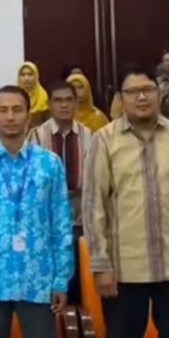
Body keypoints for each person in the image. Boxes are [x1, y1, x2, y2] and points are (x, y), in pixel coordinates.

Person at [0, 85, 73, 338]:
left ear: (28, 116)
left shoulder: (50, 164)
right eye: (3, 110)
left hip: (38, 277)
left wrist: (61, 279)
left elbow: (61, 225)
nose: (10, 117)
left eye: (17, 110)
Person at [82, 65, 169, 338]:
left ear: (159, 94)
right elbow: (93, 205)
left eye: (148, 90)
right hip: (124, 270)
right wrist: (101, 265)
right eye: (133, 92)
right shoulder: (104, 140)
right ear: (120, 98)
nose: (141, 97)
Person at [27, 81, 92, 305]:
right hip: (47, 211)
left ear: (76, 103)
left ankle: (80, 308)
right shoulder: (36, 136)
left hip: (81, 208)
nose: (64, 105)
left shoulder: (90, 136)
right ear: (49, 104)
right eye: (58, 100)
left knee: (80, 265)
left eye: (69, 100)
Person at [17, 61, 50, 129]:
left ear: (36, 76)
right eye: (23, 75)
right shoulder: (14, 96)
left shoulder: (43, 96)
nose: (26, 78)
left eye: (30, 74)